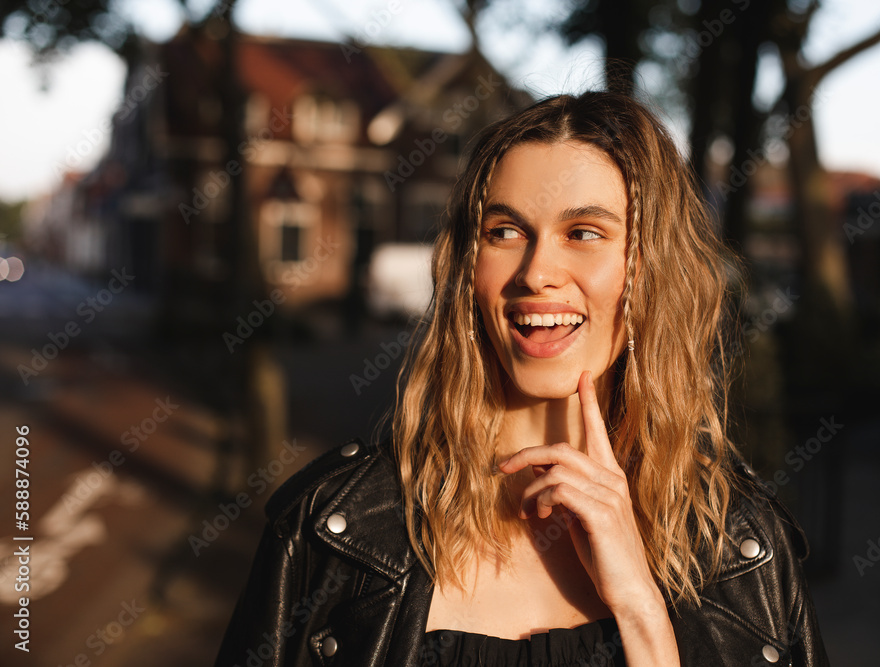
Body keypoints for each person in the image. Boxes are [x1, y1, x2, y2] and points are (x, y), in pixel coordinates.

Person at [214, 91, 830, 666]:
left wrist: (643, 611)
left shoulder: (742, 549)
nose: (537, 271)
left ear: (649, 271)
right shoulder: (329, 528)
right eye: (504, 232)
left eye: (584, 233)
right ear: (467, 269)